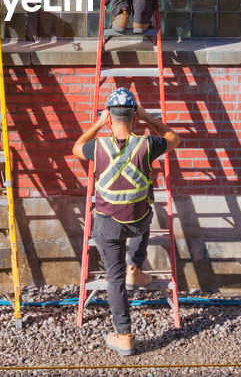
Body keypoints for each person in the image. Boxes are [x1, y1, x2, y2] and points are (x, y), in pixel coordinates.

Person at [71, 87, 181, 356]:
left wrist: (97, 123)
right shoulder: (147, 144)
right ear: (134, 117)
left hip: (108, 225)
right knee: (147, 209)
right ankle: (136, 265)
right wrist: (149, 118)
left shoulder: (97, 146)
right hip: (137, 223)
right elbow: (174, 139)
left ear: (110, 117)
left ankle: (124, 335)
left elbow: (75, 148)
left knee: (114, 279)